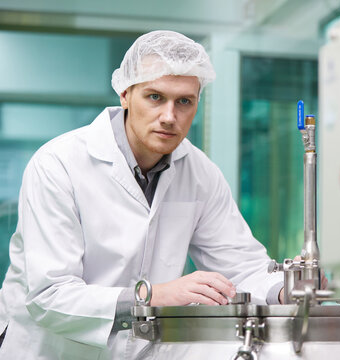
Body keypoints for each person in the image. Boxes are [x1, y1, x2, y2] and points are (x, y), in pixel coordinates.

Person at [0, 30, 285, 359]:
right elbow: (50, 296)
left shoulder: (200, 173)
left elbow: (242, 266)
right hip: (49, 350)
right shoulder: (58, 165)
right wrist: (154, 296)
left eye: (184, 102)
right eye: (154, 97)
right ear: (125, 93)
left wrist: (284, 291)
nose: (169, 116)